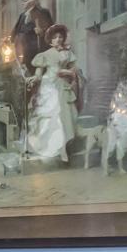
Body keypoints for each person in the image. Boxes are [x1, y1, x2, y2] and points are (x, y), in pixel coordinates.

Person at [22, 25, 82, 162]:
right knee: (53, 117)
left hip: (62, 86)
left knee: (65, 117)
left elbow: (73, 71)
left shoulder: (67, 53)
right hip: (49, 87)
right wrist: (33, 78)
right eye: (55, 38)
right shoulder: (45, 55)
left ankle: (63, 147)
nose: (58, 40)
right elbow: (39, 73)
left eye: (60, 37)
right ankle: (55, 149)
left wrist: (69, 74)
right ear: (50, 40)